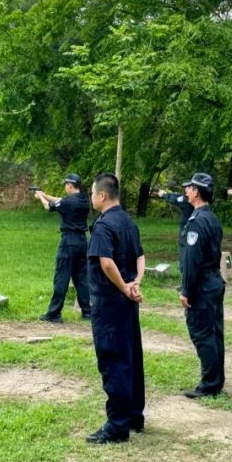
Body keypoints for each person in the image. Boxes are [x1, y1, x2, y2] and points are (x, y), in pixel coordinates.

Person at [85, 172, 145, 444]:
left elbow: (106, 263)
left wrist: (123, 287)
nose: (91, 197)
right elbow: (140, 256)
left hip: (110, 303)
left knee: (113, 360)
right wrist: (134, 284)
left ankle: (117, 425)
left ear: (102, 195)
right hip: (127, 301)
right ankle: (134, 415)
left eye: (92, 193)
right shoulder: (128, 222)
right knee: (131, 356)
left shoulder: (103, 225)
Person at [179, 173, 225, 398]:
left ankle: (209, 384)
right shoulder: (212, 217)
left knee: (202, 333)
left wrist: (186, 290)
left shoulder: (197, 221)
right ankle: (215, 380)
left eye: (189, 188)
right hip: (214, 280)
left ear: (196, 191)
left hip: (203, 285)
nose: (186, 191)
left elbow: (192, 260)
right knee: (215, 332)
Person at [35, 173, 92, 323]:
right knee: (81, 278)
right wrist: (45, 194)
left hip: (69, 241)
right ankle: (87, 312)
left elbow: (49, 207)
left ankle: (54, 314)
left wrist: (40, 197)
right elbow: (60, 201)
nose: (65, 188)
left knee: (61, 277)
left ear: (70, 186)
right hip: (82, 241)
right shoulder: (84, 200)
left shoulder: (68, 203)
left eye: (66, 185)